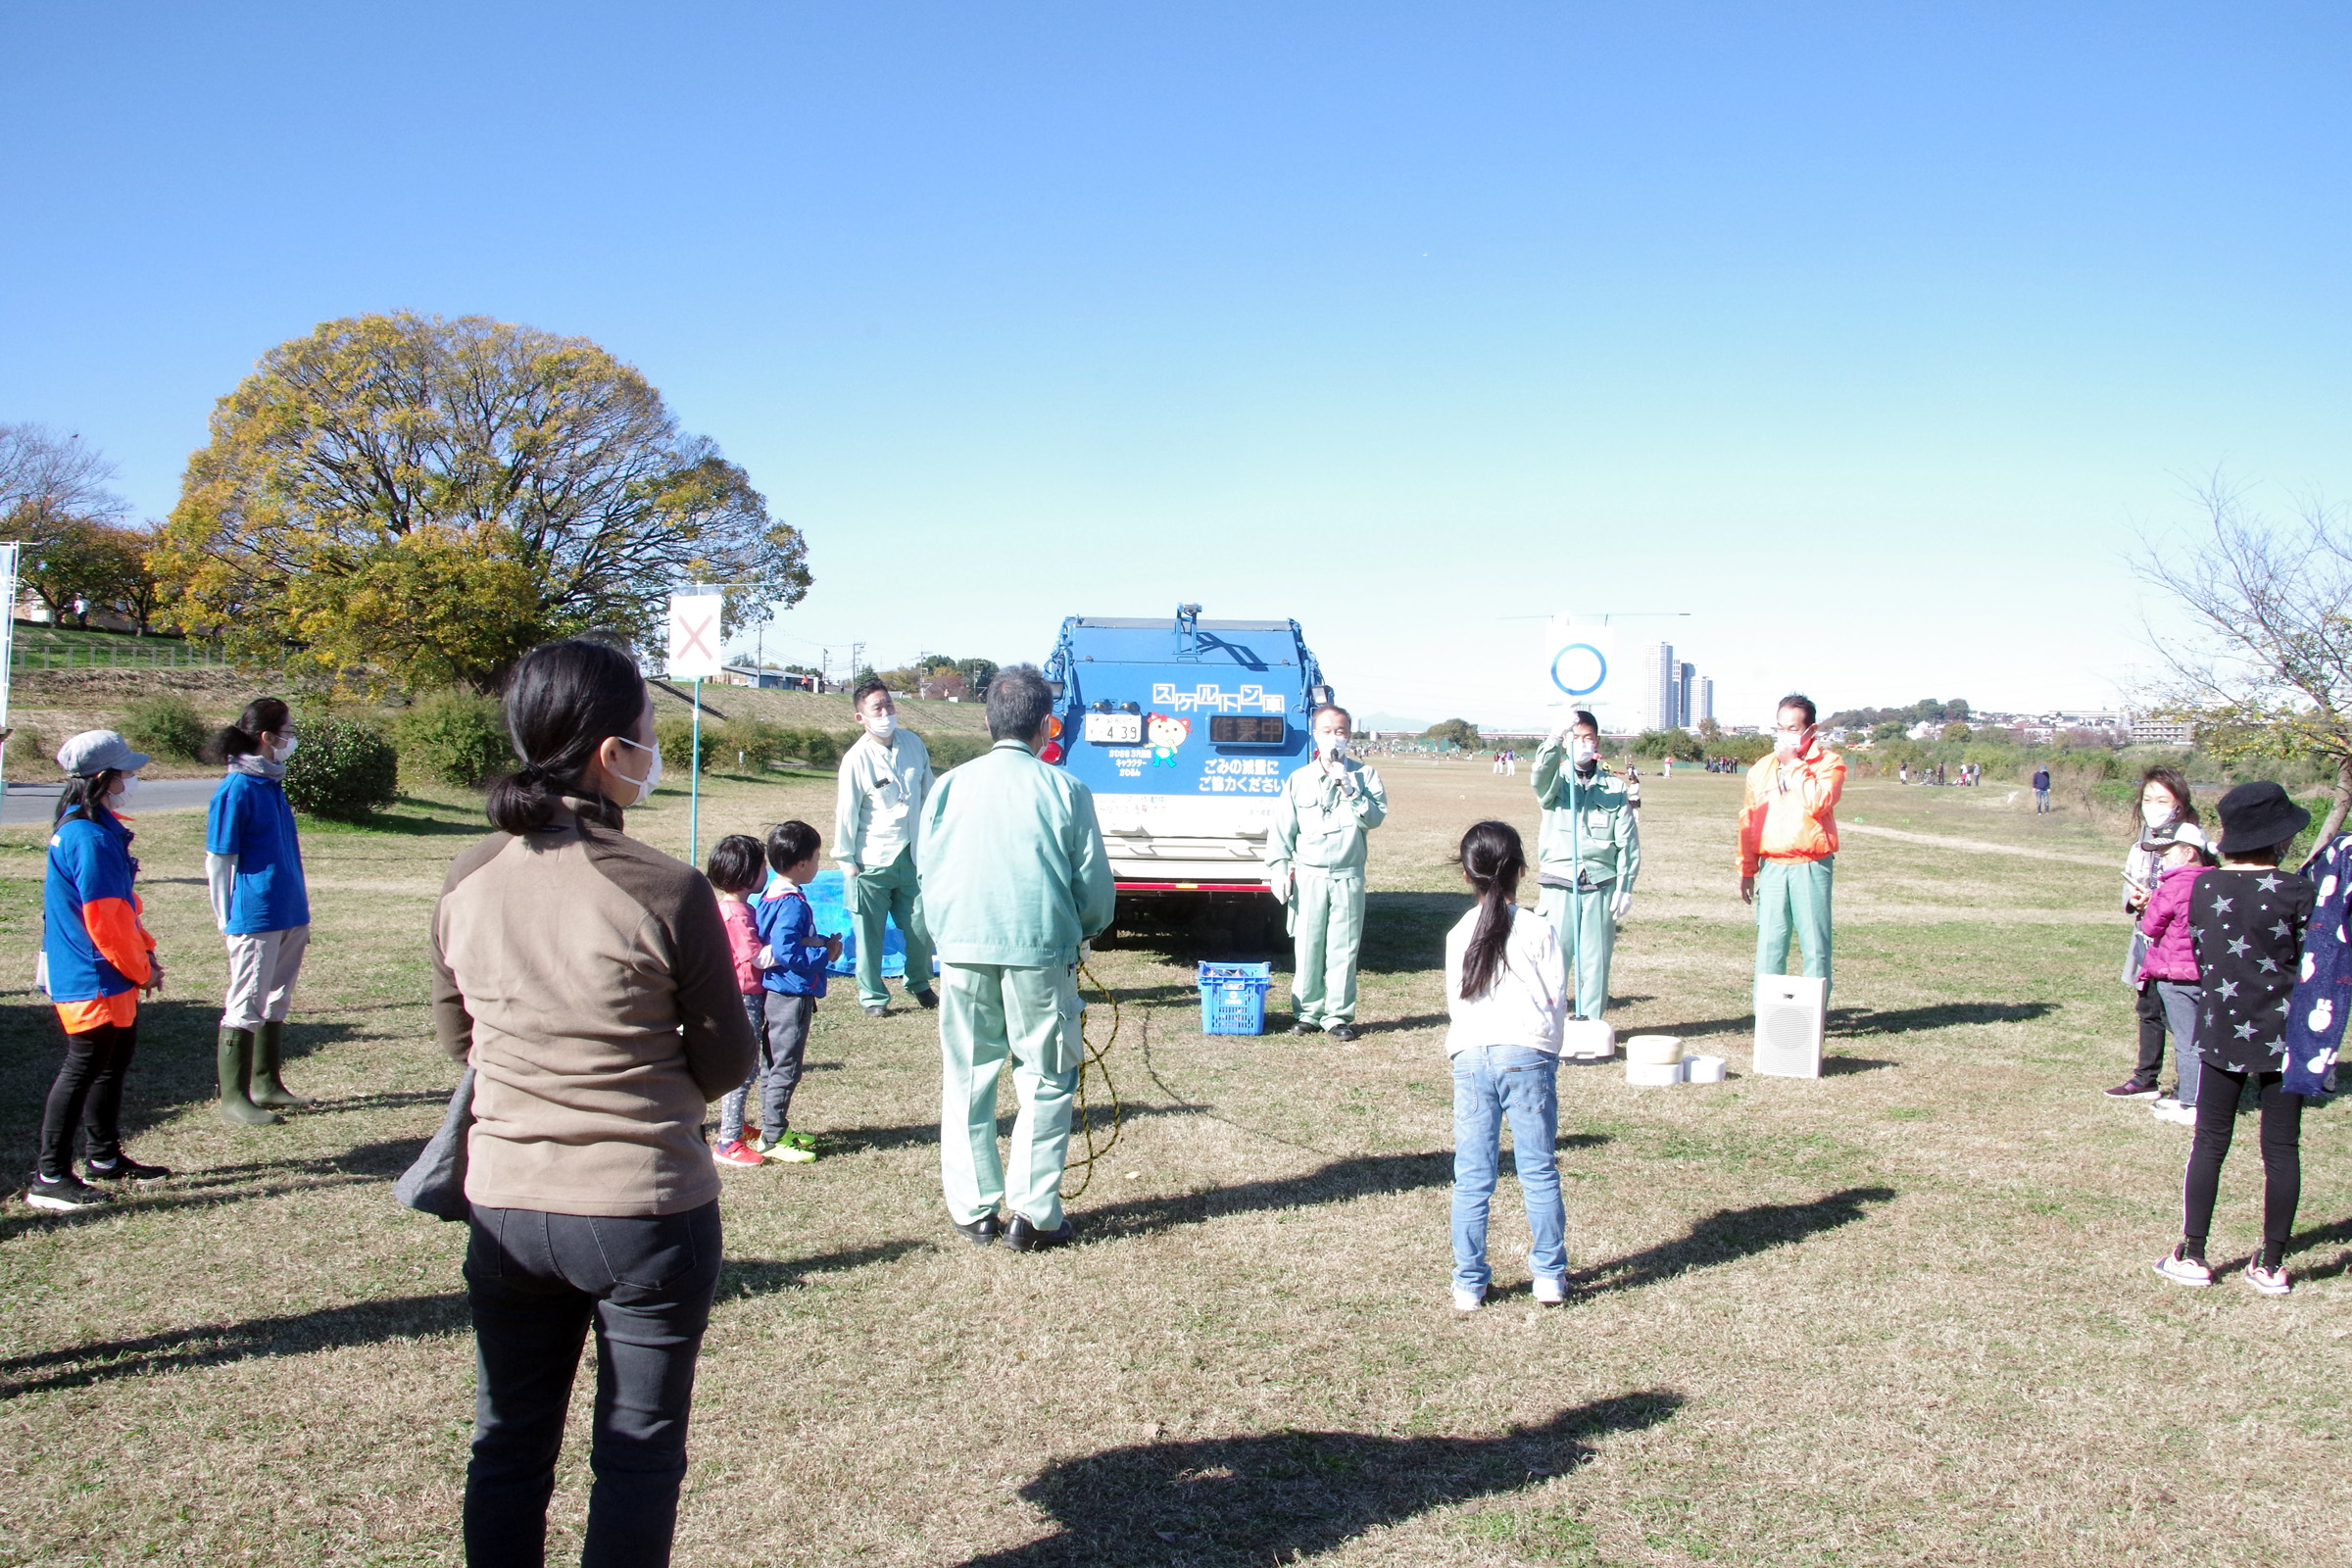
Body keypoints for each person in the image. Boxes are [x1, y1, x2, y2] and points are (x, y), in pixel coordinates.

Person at [429, 637, 756, 1566]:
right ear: (614, 754)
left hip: (502, 1202)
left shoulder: (467, 876)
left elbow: (462, 1042)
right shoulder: (664, 887)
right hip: (643, 1207)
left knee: (507, 1443)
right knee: (639, 1456)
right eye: (651, 735)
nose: (656, 753)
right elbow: (729, 1059)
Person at [917, 664, 1114, 1250]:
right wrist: (1080, 934)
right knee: (1048, 1077)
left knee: (968, 1078)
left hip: (962, 949)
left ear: (986, 719)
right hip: (1041, 952)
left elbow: (927, 869)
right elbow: (1095, 890)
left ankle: (974, 1210)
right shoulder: (1066, 788)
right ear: (1046, 724)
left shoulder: (948, 785)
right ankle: (1033, 1211)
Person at [2153, 782, 2315, 1296]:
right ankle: (2271, 1264)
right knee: (2282, 1148)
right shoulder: (2298, 891)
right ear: (2281, 838)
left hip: (2221, 1027)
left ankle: (2194, 1252)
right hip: (2286, 1035)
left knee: (2210, 1142)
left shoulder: (2202, 886)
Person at [27, 731, 170, 1210]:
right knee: (84, 1066)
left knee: (112, 1064)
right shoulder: (87, 836)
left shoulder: (92, 826)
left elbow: (124, 909)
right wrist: (140, 968)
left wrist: (143, 956)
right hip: (94, 974)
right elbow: (105, 920)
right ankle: (49, 1177)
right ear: (104, 778)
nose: (131, 779)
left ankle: (104, 1157)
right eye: (125, 772)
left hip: (108, 972)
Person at [1444, 820, 1568, 1312]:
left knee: (1472, 1177)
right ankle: (1549, 1278)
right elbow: (1556, 999)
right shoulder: (1539, 928)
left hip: (1472, 1056)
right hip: (1528, 1055)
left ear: (1467, 874)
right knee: (1538, 1169)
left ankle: (1468, 1283)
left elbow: (1457, 1004)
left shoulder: (1458, 933)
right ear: (1520, 869)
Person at [205, 698, 312, 1126]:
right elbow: (219, 859)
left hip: (289, 909)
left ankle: (266, 1081)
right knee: (246, 1000)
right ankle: (234, 1098)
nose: (291, 739)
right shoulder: (235, 790)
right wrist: (226, 915)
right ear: (266, 738)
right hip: (256, 914)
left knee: (276, 998)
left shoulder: (270, 782)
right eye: (286, 731)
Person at [1267, 705, 1389, 1042]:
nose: (1334, 737)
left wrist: (1351, 789)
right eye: (1326, 730)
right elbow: (1281, 830)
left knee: (1343, 947)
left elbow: (1375, 819)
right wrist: (1278, 868)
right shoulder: (1298, 779)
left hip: (1348, 875)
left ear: (1349, 736)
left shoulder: (1366, 776)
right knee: (1308, 944)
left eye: (1340, 731)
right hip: (1309, 876)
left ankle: (1337, 1015)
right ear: (1314, 734)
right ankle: (1307, 1012)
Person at [834, 677, 938, 1018]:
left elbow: (928, 794)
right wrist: (846, 860)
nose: (885, 712)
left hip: (912, 855)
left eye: (888, 705)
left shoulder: (912, 744)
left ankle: (920, 983)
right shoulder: (856, 758)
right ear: (860, 717)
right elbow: (846, 812)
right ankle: (873, 996)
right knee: (869, 933)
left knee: (920, 927)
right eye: (876, 708)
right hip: (871, 859)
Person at [1529, 710, 1639, 1022]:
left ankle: (1590, 1023)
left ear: (1598, 741)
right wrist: (1552, 740)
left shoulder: (1613, 788)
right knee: (1552, 960)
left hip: (1600, 884)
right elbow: (1539, 778)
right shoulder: (1556, 780)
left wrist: (1624, 886)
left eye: (1588, 738)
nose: (1582, 744)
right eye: (1575, 738)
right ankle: (1549, 1024)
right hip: (1559, 881)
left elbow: (1627, 843)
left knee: (1595, 962)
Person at [2109, 767, 2209, 1102]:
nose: (2154, 805)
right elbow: (2130, 882)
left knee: (2180, 1014)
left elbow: (2205, 888)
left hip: (2180, 946)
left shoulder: (2192, 838)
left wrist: (2164, 902)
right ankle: (2145, 1078)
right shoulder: (2142, 840)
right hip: (2147, 936)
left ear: (2179, 801)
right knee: (2148, 1007)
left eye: (2162, 799)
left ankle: (2191, 1085)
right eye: (2148, 798)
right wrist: (2135, 900)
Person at [1737, 695, 1845, 998]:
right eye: (1780, 727)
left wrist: (1795, 765)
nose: (1785, 735)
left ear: (1811, 730)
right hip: (1772, 866)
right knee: (1770, 944)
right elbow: (1749, 819)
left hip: (1810, 865)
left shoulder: (1829, 763)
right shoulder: (1761, 769)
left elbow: (1817, 802)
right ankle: (1767, 1013)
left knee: (1815, 945)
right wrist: (1747, 868)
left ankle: (1815, 1016)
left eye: (1793, 728)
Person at [747, 820, 840, 1165]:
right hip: (791, 993)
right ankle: (773, 1136)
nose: (818, 864)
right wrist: (824, 955)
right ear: (801, 863)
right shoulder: (792, 904)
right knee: (785, 1065)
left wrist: (817, 941)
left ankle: (774, 1129)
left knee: (772, 1062)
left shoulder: (769, 895)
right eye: (816, 857)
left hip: (775, 991)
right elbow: (786, 950)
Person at [2132, 827, 2211, 1128]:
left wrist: (2148, 904)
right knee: (2200, 1036)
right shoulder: (2212, 882)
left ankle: (2191, 1102)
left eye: (2166, 853)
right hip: (2204, 971)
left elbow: (2151, 927)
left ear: (2189, 852)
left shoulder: (2174, 885)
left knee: (2186, 1040)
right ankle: (2194, 1096)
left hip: (2175, 972)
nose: (2162, 860)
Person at [705, 834, 775, 1169]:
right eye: (763, 866)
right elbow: (755, 957)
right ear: (747, 874)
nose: (767, 872)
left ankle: (737, 1124)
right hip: (745, 996)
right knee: (745, 1070)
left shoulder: (734, 908)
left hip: (745, 995)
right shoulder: (737, 914)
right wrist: (793, 949)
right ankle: (728, 1139)